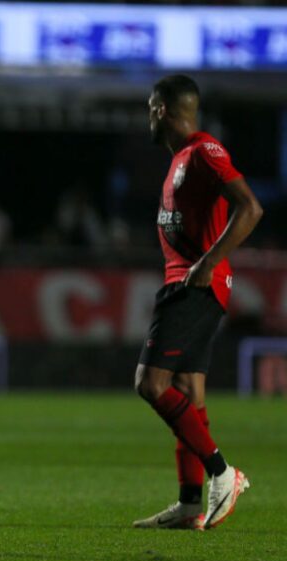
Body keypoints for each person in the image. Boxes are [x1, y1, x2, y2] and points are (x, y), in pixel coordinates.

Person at [132, 75, 262, 530]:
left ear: (161, 110)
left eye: (150, 109)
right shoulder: (180, 160)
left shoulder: (205, 151)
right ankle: (190, 505)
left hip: (196, 285)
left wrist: (208, 262)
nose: (148, 117)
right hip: (185, 282)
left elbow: (250, 207)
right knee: (188, 392)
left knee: (150, 383)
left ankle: (223, 473)